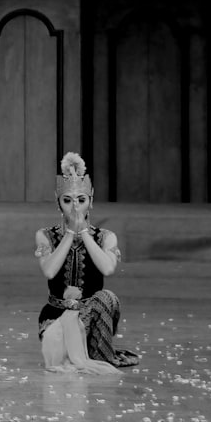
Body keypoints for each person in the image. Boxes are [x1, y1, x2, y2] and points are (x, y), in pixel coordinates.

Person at [34, 152, 140, 374]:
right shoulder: (45, 235)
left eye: (81, 200)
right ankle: (79, 351)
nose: (75, 208)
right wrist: (69, 234)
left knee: (107, 297)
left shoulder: (105, 237)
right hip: (57, 317)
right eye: (67, 201)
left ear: (90, 200)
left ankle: (95, 349)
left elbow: (108, 268)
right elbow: (49, 269)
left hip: (91, 316)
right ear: (58, 201)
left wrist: (83, 232)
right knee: (60, 347)